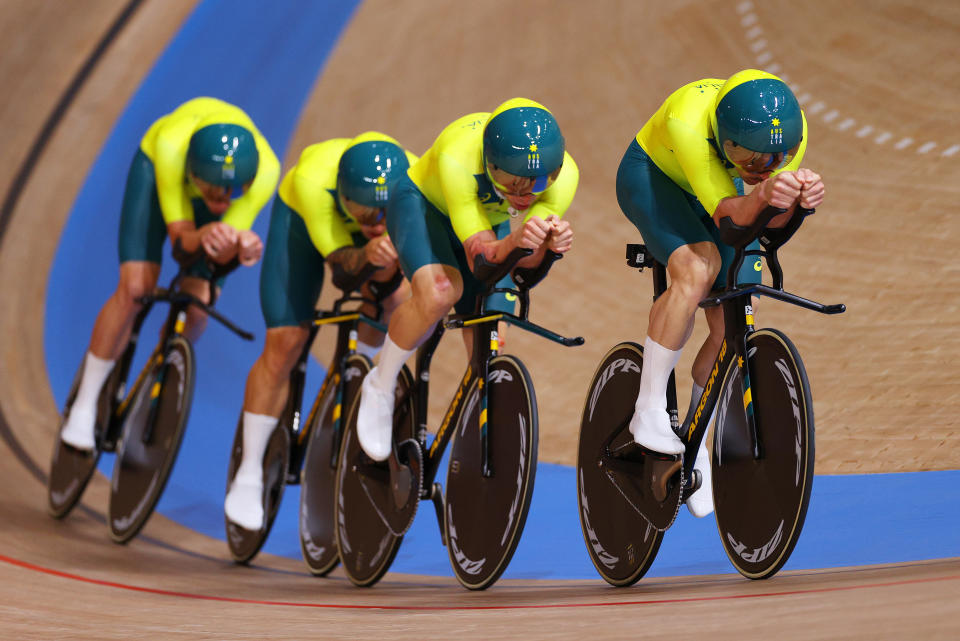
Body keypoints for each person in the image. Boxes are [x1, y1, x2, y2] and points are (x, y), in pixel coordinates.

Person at [615, 69, 825, 518]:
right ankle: (648, 408)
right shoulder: (690, 122)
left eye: (772, 159)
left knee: (736, 306)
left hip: (714, 185)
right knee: (697, 266)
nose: (760, 168)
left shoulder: (791, 133)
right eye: (747, 158)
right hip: (655, 177)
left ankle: (697, 435)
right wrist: (767, 194)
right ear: (722, 139)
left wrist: (795, 204)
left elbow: (765, 227)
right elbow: (731, 220)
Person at [354, 97, 579, 463]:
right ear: (488, 164)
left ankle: (478, 447)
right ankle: (380, 383)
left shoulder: (565, 176)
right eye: (510, 181)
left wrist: (548, 248)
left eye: (538, 182)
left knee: (491, 338)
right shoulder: (458, 155)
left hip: (488, 222)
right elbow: (483, 256)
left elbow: (521, 270)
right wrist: (519, 241)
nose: (523, 196)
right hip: (424, 208)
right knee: (440, 293)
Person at [59, 97, 280, 451]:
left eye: (235, 192)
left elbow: (216, 257)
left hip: (206, 187)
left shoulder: (266, 172)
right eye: (212, 191)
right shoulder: (171, 148)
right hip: (158, 177)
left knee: (197, 305)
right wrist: (205, 233)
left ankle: (159, 382)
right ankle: (85, 403)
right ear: (194, 174)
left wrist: (239, 247)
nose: (223, 202)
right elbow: (182, 242)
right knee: (135, 290)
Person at [224, 132, 417, 530]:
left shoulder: (414, 179)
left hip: (365, 236)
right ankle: (248, 472)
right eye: (365, 214)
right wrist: (366, 250)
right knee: (286, 341)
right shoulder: (314, 184)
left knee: (393, 298)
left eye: (384, 214)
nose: (375, 223)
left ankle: (360, 368)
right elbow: (343, 271)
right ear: (342, 197)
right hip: (303, 228)